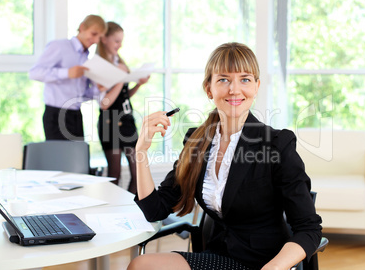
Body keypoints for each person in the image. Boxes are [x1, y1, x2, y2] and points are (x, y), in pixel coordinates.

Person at [128, 42, 322, 270]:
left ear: (257, 86)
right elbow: (155, 210)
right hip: (219, 257)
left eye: (245, 79)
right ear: (209, 88)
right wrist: (140, 151)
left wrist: (274, 268)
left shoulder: (277, 144)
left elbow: (309, 229)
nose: (234, 89)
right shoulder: (197, 142)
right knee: (141, 265)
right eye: (223, 80)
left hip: (267, 263)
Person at [29, 14, 107, 141]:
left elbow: (82, 95)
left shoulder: (86, 58)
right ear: (82, 28)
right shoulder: (59, 46)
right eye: (94, 34)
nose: (96, 40)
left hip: (75, 114)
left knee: (78, 158)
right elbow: (35, 72)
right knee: (60, 158)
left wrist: (98, 89)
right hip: (56, 114)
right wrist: (66, 73)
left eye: (99, 37)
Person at [96, 21, 149, 193]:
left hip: (127, 121)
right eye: (116, 41)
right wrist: (120, 77)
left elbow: (123, 96)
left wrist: (138, 84)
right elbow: (105, 104)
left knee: (137, 172)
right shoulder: (99, 65)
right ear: (104, 40)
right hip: (109, 123)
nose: (120, 45)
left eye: (121, 41)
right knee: (115, 174)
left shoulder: (120, 61)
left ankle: (130, 210)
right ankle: (110, 212)